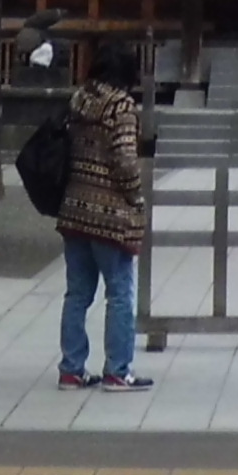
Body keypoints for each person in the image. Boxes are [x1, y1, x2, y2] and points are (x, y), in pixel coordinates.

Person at [57, 36, 153, 392]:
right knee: (119, 292)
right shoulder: (121, 107)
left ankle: (71, 368)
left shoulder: (79, 99)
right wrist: (136, 197)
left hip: (74, 208)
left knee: (77, 293)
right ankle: (117, 370)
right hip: (110, 213)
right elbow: (125, 160)